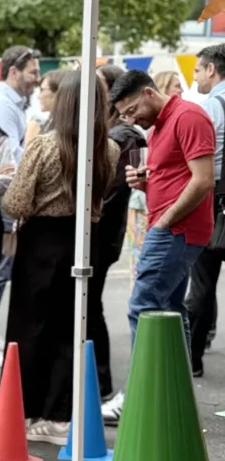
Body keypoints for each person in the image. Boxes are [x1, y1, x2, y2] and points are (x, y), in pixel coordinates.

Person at [2, 72, 119, 444]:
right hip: (86, 238)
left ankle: (28, 412)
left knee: (31, 326)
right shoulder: (109, 149)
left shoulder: (43, 145)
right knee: (72, 328)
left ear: (64, 103)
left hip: (42, 243)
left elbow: (17, 202)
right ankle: (59, 415)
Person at [103, 70, 216, 424]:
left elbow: (203, 180)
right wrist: (145, 182)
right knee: (168, 309)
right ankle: (173, 393)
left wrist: (166, 220)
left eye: (132, 109)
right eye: (123, 114)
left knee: (143, 306)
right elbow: (176, 176)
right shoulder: (160, 126)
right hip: (170, 226)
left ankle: (142, 394)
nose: (130, 119)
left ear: (150, 93)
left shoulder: (189, 116)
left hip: (175, 229)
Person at [0, 45, 42, 367]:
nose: (37, 78)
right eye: (33, 71)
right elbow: (12, 158)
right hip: (3, 197)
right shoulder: (3, 105)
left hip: (9, 195)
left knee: (1, 272)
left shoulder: (16, 104)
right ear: (14, 71)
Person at [91, 63, 143, 399]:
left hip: (101, 235)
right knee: (90, 305)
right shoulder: (118, 135)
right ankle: (98, 384)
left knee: (90, 306)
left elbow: (107, 191)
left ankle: (101, 385)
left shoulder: (122, 138)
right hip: (105, 234)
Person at [184, 44, 225, 377]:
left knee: (202, 283)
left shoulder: (212, 106)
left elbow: (197, 159)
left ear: (212, 69)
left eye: (198, 69)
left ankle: (193, 359)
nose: (195, 76)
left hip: (215, 201)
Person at [24, 69, 65, 145]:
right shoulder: (37, 124)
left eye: (42, 90)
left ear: (57, 93)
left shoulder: (37, 124)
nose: (38, 96)